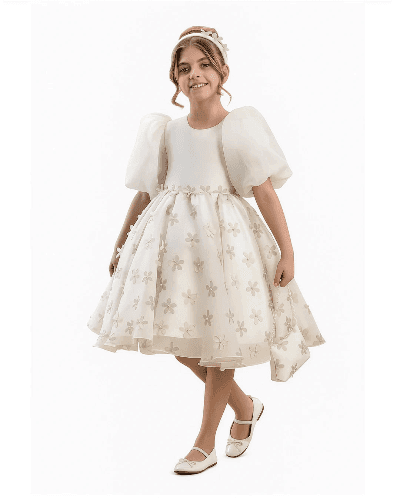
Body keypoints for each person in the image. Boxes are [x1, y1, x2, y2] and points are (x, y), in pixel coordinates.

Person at [87, 26, 326, 475]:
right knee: (183, 341)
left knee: (222, 342)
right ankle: (245, 406)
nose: (194, 74)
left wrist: (287, 251)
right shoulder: (166, 132)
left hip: (225, 248)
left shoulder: (237, 128)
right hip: (175, 252)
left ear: (222, 73)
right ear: (175, 79)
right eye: (184, 68)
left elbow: (265, 191)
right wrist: (120, 243)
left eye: (204, 65)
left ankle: (204, 442)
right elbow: (146, 193)